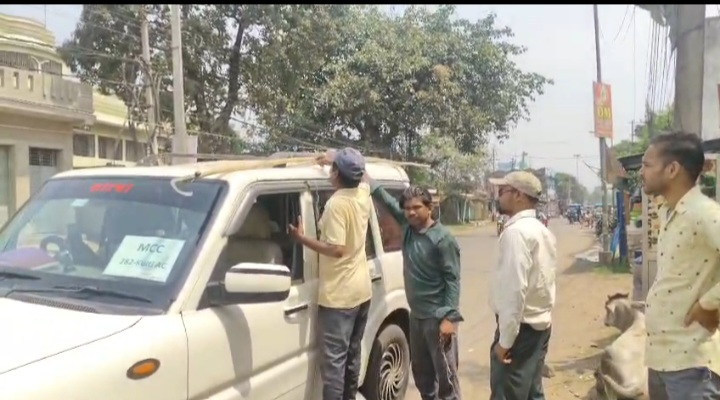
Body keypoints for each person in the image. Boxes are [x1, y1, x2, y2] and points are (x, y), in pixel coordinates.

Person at [639, 132, 720, 399]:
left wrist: (708, 304)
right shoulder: (670, 213)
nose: (641, 172)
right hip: (661, 357)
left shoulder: (704, 213)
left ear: (672, 169)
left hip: (692, 363)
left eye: (647, 165)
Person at [287, 148, 372, 400]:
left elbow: (337, 249)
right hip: (361, 291)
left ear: (335, 173)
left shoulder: (337, 204)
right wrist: (336, 158)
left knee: (334, 366)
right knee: (352, 356)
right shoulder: (362, 194)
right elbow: (364, 175)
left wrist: (301, 238)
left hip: (339, 297)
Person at [370, 182, 462, 400]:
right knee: (422, 376)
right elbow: (389, 202)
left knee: (447, 379)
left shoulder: (443, 239)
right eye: (408, 208)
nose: (411, 212)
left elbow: (452, 280)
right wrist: (368, 179)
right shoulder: (407, 228)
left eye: (417, 207)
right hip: (416, 318)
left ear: (430, 208)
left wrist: (449, 318)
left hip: (437, 319)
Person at [488, 171, 556, 400]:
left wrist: (505, 342)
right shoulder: (542, 231)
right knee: (532, 393)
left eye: (502, 191)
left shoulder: (516, 233)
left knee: (507, 393)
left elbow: (514, 292)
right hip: (539, 327)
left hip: (520, 332)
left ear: (518, 195)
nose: (498, 196)